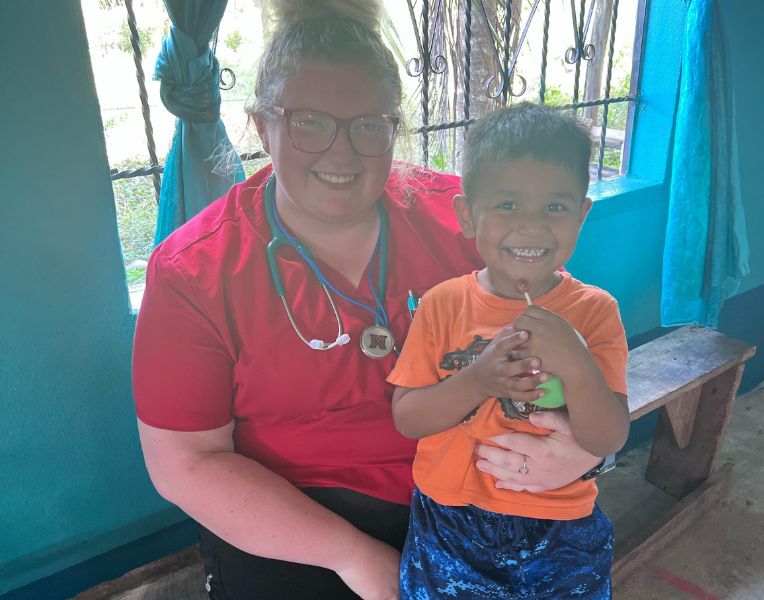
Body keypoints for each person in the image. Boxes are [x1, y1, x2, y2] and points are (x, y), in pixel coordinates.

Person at [132, 2, 603, 599]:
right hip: (293, 519)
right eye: (308, 122)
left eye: (368, 126)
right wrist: (355, 558)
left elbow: (567, 354)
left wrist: (576, 454)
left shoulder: (471, 224)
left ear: (392, 129)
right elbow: (187, 464)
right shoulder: (195, 272)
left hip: (477, 491)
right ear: (261, 125)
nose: (341, 152)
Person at [389, 103, 630, 599]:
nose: (531, 226)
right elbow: (409, 418)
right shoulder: (441, 305)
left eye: (555, 208)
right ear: (467, 216)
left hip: (558, 524)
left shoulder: (595, 311)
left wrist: (578, 363)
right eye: (507, 205)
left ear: (582, 214)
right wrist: (477, 380)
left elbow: (608, 436)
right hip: (449, 523)